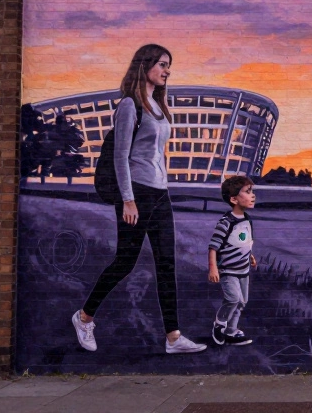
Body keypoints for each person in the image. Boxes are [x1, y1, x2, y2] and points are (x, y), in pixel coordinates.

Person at [71, 44, 207, 354]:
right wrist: (128, 200)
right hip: (136, 195)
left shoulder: (159, 107)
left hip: (160, 195)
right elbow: (121, 157)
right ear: (144, 65)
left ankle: (173, 337)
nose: (166, 70)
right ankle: (83, 317)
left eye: (168, 65)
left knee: (167, 265)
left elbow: (156, 153)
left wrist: (164, 184)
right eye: (161, 64)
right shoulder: (130, 106)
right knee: (125, 262)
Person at [209, 175, 258, 347]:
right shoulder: (226, 222)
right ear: (233, 199)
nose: (252, 195)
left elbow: (244, 242)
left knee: (241, 302)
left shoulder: (247, 220)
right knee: (232, 299)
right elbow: (213, 247)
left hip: (243, 270)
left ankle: (231, 331)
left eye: (252, 191)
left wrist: (250, 256)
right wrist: (213, 268)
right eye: (247, 192)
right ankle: (220, 324)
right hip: (228, 270)